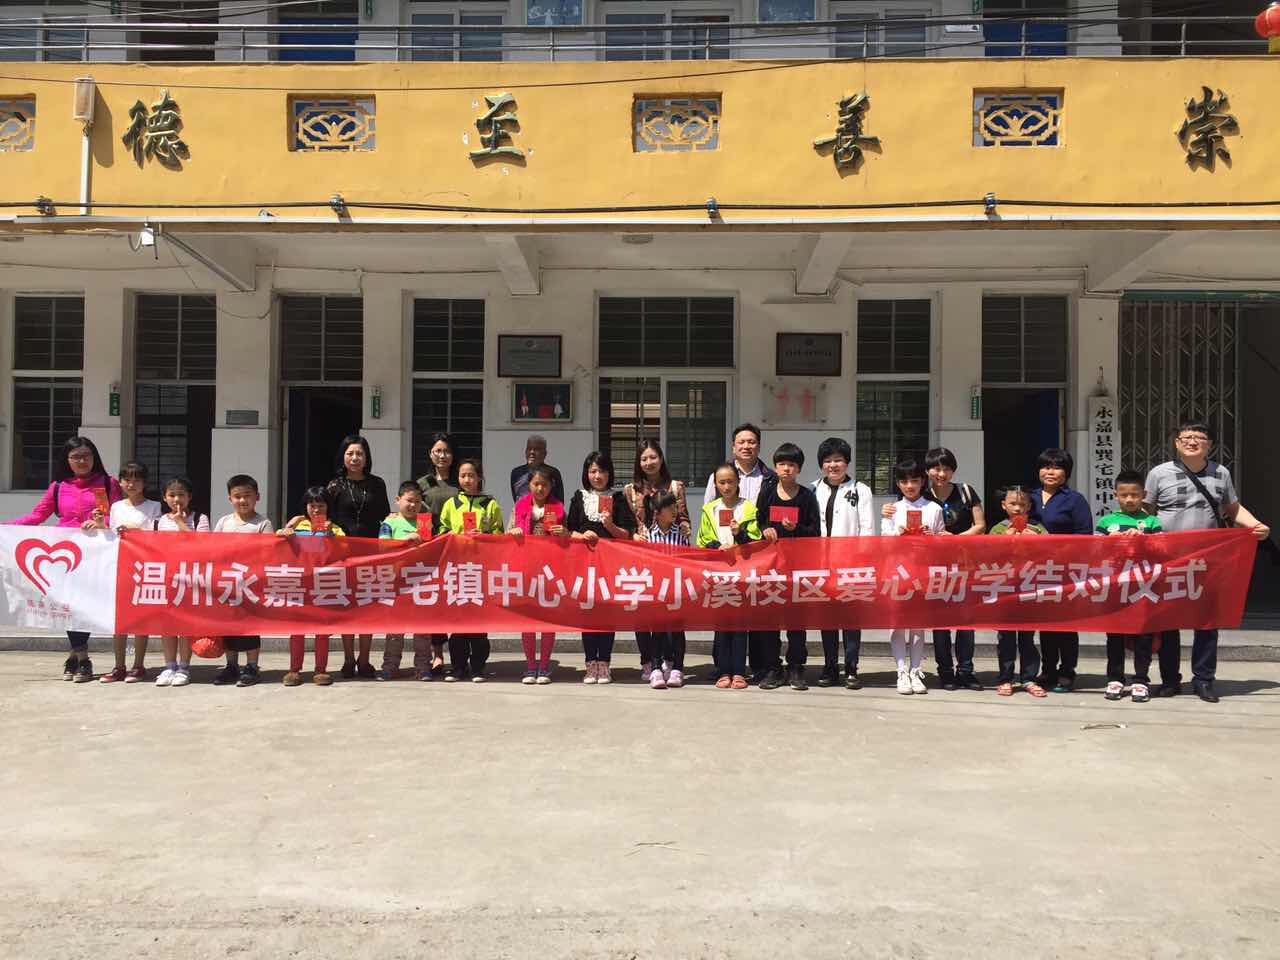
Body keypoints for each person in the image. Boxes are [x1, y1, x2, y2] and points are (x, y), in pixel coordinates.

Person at [1145, 421, 1270, 703]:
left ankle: (1203, 680)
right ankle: (1169, 680)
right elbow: (1145, 510)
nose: (1192, 441)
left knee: (1206, 622)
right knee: (1167, 621)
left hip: (1206, 560)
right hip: (1168, 560)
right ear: (1176, 443)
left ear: (1209, 444)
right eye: (1186, 437)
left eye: (1199, 437)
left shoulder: (1220, 473)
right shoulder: (1159, 473)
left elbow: (1232, 508)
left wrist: (1255, 524)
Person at [8, 435, 121, 682]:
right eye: (76, 457)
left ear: (94, 458)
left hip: (95, 555)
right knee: (69, 606)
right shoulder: (58, 486)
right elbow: (36, 516)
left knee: (85, 605)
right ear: (67, 460)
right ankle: (82, 658)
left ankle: (76, 657)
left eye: (86, 456)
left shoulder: (108, 483)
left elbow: (118, 515)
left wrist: (102, 522)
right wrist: (5, 527)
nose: (82, 461)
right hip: (63, 556)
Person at [566, 451, 637, 685]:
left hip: (610, 565)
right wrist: (581, 536)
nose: (597, 476)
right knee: (588, 612)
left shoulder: (617, 498)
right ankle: (590, 663)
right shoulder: (579, 497)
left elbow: (627, 535)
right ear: (586, 473)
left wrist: (610, 525)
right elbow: (568, 531)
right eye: (593, 471)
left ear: (610, 473)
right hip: (584, 564)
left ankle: (604, 663)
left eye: (602, 471)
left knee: (607, 613)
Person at [754, 442, 820, 691]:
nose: (786, 469)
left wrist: (797, 529)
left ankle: (796, 667)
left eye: (792, 465)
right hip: (770, 566)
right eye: (782, 464)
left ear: (799, 468)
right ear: (775, 467)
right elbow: (758, 520)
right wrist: (765, 529)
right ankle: (773, 667)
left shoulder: (806, 496)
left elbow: (815, 532)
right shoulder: (767, 493)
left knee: (796, 621)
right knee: (770, 620)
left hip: (797, 567)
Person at [623, 439, 691, 682]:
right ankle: (648, 662)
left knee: (671, 617)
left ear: (661, 459)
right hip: (641, 557)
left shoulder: (675, 486)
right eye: (644, 458)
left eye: (653, 457)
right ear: (638, 463)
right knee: (643, 615)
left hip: (671, 555)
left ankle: (671, 662)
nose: (649, 462)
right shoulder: (630, 490)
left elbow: (683, 518)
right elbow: (626, 523)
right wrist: (633, 535)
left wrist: (684, 529)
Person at [811, 437, 875, 689]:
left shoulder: (861, 489)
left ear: (847, 462)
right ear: (821, 464)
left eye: (838, 460)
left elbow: (867, 528)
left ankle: (851, 667)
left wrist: (862, 561)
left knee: (850, 619)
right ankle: (829, 666)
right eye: (828, 461)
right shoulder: (813, 489)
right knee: (827, 618)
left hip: (851, 565)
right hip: (822, 564)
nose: (833, 465)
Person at [326, 434, 391, 681]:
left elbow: (386, 516)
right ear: (343, 457)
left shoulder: (377, 484)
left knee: (367, 607)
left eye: (359, 454)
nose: (355, 458)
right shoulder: (334, 486)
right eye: (350, 453)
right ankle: (348, 659)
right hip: (342, 555)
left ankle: (364, 660)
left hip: (371, 555)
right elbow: (322, 515)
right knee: (347, 606)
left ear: (367, 457)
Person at [1028, 448, 1092, 693]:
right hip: (1035, 570)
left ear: (1066, 473)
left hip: (1065, 569)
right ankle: (1048, 670)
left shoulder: (1075, 500)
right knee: (1045, 623)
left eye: (1057, 467)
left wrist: (1056, 547)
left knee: (1065, 623)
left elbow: (1084, 535)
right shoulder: (1029, 497)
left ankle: (1067, 671)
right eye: (1046, 467)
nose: (1050, 472)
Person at [1098, 469, 1162, 704]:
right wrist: (1110, 542)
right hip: (1116, 586)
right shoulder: (1106, 522)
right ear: (1115, 495)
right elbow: (1093, 550)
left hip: (1143, 586)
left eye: (1134, 495)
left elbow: (1162, 549)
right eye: (1124, 495)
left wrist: (1144, 540)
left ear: (1143, 495)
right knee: (1114, 635)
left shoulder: (1152, 522)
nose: (1129, 499)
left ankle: (1141, 680)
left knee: (1143, 635)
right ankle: (1115, 678)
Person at [438, 459, 505, 682]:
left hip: (480, 568)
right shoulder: (451, 503)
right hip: (457, 568)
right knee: (458, 620)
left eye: (471, 475)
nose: (467, 479)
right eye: (463, 475)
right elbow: (442, 530)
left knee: (478, 620)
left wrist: (483, 536)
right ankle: (458, 667)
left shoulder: (490, 504)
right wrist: (454, 535)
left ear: (479, 477)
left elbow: (499, 534)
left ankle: (477, 667)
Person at [882, 458, 944, 696]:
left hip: (922, 572)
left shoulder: (934, 508)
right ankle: (901, 670)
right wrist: (898, 536)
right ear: (898, 483)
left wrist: (930, 537)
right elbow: (883, 542)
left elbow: (942, 542)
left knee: (918, 625)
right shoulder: (891, 509)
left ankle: (916, 670)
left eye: (914, 481)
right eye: (904, 481)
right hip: (896, 571)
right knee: (897, 624)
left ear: (922, 482)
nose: (909, 486)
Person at [697, 461, 762, 690]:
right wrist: (718, 546)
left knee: (740, 625)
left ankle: (739, 671)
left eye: (730, 482)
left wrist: (739, 534)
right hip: (719, 572)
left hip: (742, 572)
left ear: (738, 482)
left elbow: (756, 540)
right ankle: (723, 670)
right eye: (722, 482)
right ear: (715, 484)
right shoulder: (709, 509)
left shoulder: (749, 508)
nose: (726, 486)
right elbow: (702, 540)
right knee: (721, 625)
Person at [925, 447, 985, 692]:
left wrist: (955, 539)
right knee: (940, 622)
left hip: (965, 563)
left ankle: (966, 671)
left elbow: (980, 525)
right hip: (933, 566)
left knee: (965, 620)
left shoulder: (966, 491)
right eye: (936, 468)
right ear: (928, 470)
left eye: (946, 468)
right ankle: (946, 672)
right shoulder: (922, 494)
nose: (941, 473)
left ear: (953, 470)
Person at [95, 461, 161, 684]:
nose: (132, 484)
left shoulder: (154, 506)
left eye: (137, 480)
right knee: (119, 619)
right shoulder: (115, 507)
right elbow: (111, 536)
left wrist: (137, 530)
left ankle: (138, 665)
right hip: (120, 564)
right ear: (121, 482)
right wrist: (99, 525)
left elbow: (157, 534)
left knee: (140, 617)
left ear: (144, 483)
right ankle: (119, 666)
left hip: (143, 565)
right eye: (127, 479)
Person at [276, 485, 344, 687]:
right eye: (311, 505)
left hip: (323, 583)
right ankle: (294, 669)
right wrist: (287, 528)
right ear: (305, 506)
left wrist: (332, 536)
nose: (316, 510)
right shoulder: (298, 524)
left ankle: (321, 670)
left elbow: (346, 548)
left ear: (328, 506)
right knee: (297, 629)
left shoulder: (334, 527)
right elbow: (277, 539)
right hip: (299, 582)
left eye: (321, 505)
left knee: (322, 630)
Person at [212, 474, 274, 688]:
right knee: (228, 625)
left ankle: (252, 666)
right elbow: (211, 549)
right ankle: (231, 665)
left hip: (251, 583)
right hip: (227, 582)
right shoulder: (223, 522)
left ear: (257, 497)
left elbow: (268, 552)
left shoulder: (263, 523)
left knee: (249, 626)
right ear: (230, 498)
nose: (242, 500)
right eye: (237, 496)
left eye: (247, 495)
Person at [509, 464, 567, 684]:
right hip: (526, 568)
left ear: (551, 486)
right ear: (529, 485)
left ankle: (544, 666)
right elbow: (507, 533)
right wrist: (513, 531)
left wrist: (564, 533)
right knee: (528, 619)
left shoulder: (559, 508)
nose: (540, 488)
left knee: (548, 619)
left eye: (544, 484)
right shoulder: (519, 507)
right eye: (536, 484)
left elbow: (569, 541)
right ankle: (530, 666)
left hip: (550, 570)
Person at [988, 486, 1047, 697]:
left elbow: (1052, 550)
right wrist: (1004, 539)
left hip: (1030, 587)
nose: (1017, 508)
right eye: (1012, 504)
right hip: (1005, 588)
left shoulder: (1038, 528)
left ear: (1029, 506)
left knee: (1027, 637)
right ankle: (1006, 678)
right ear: (1003, 505)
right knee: (1006, 637)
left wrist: (1037, 541)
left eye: (1022, 504)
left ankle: (1029, 677)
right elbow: (988, 554)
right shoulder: (997, 529)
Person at [153, 476, 210, 688]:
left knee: (185, 624)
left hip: (191, 576)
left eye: (181, 495)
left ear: (189, 497)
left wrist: (180, 522)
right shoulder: (158, 521)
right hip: (166, 576)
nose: (177, 499)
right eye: (172, 495)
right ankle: (169, 666)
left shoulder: (200, 518)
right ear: (164, 498)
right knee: (167, 624)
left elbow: (203, 544)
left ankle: (184, 667)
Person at [416, 432, 458, 674]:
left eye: (447, 451)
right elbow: (418, 513)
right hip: (432, 547)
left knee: (455, 598)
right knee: (435, 600)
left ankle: (459, 653)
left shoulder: (461, 479)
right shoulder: (423, 484)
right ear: (430, 454)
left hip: (457, 548)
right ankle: (437, 654)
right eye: (438, 451)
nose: (443, 455)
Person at [378, 482, 429, 682]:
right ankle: (390, 666)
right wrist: (407, 540)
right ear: (398, 500)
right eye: (409, 500)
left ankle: (423, 667)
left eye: (417, 501)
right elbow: (383, 547)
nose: (413, 505)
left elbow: (431, 547)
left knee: (423, 630)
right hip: (396, 581)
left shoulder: (424, 521)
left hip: (421, 581)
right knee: (394, 629)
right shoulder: (389, 522)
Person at [644, 491, 690, 689]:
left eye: (675, 506)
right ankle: (656, 668)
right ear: (657, 511)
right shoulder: (647, 534)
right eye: (669, 507)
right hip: (656, 589)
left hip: (677, 588)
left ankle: (677, 668)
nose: (674, 511)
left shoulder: (681, 533)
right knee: (658, 630)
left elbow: (689, 559)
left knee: (677, 629)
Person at [703, 422, 775, 506]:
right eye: (741, 442)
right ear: (733, 447)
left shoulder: (770, 478)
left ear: (759, 447)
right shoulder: (718, 475)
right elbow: (708, 507)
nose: (746, 446)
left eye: (751, 442)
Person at [510, 434, 565, 504]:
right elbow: (516, 497)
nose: (532, 452)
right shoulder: (516, 473)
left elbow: (559, 501)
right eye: (529, 449)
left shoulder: (553, 473)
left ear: (544, 454)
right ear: (525, 451)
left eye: (536, 449)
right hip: (522, 510)